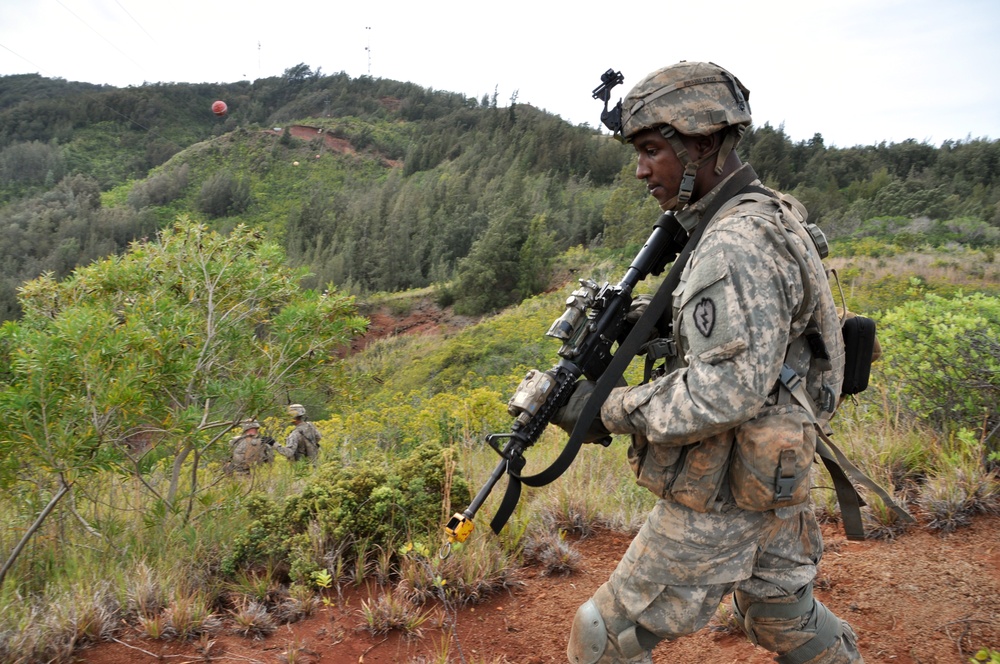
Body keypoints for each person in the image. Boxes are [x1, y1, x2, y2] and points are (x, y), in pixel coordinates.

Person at [554, 62, 862, 663]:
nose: (641, 170)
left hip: (725, 488)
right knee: (782, 616)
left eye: (651, 150)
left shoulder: (734, 242)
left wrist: (605, 408)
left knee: (605, 639)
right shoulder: (762, 213)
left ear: (701, 144)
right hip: (773, 474)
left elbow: (724, 393)